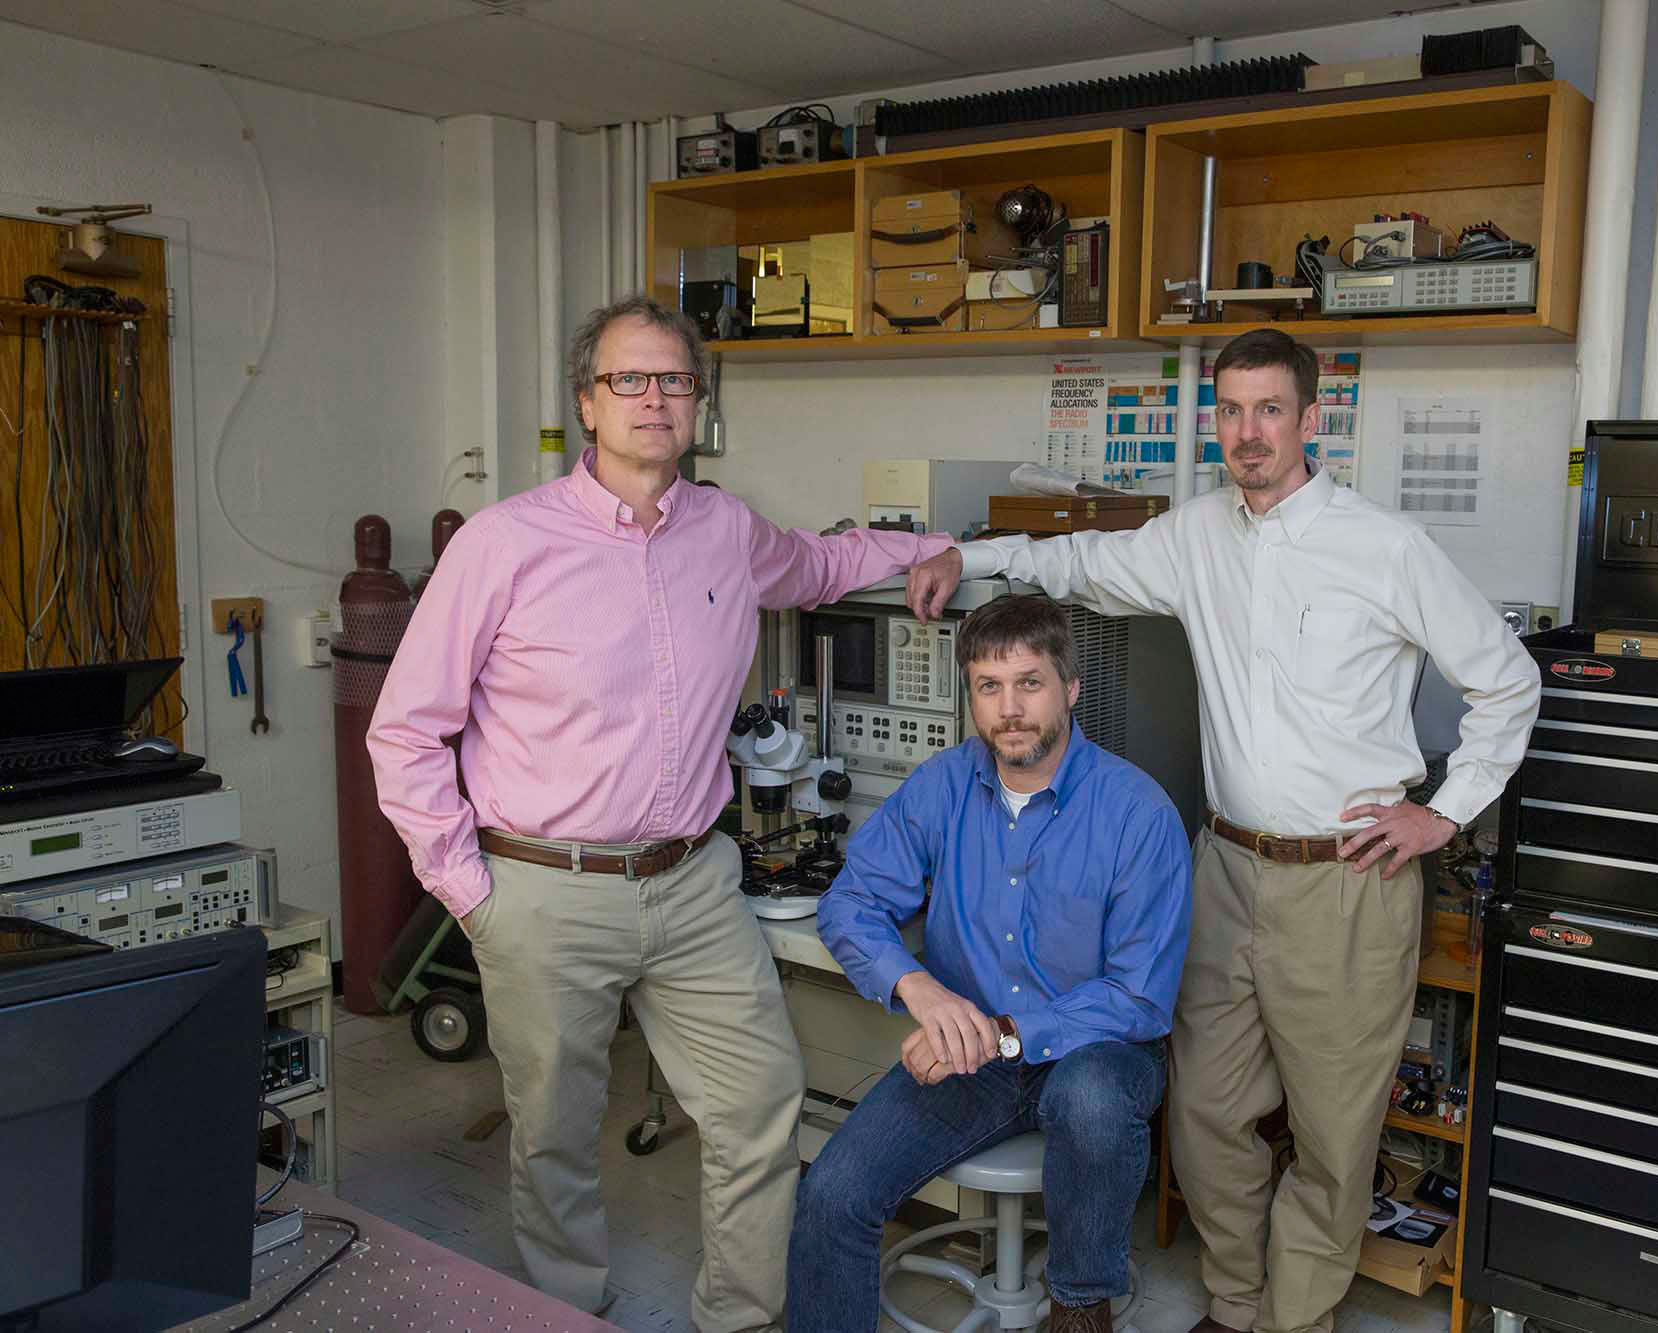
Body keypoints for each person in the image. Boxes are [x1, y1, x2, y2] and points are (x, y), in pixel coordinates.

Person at [904, 328, 1540, 1333]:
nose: (1248, 431)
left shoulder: (1385, 546)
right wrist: (961, 551)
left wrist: (1441, 812)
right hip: (1227, 868)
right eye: (1231, 411)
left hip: (1347, 882)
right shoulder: (1194, 534)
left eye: (1268, 409)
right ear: (1215, 424)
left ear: (1309, 419)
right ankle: (1237, 1304)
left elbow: (1509, 680)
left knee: (1333, 1138)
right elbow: (1073, 560)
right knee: (1203, 1118)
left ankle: (1292, 1320)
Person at [368, 295, 954, 1329]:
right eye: (627, 380)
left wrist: (929, 548)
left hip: (691, 882)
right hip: (544, 889)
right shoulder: (503, 546)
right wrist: (471, 891)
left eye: (672, 380)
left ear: (697, 405)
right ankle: (566, 1311)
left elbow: (818, 565)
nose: (652, 398)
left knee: (758, 1103)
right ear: (587, 403)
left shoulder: (725, 531)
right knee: (553, 1134)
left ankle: (738, 1314)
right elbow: (407, 731)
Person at [791, 595, 1192, 1333]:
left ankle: (1079, 1303)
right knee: (833, 1195)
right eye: (989, 686)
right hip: (971, 1053)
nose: (1010, 709)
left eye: (1030, 683)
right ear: (970, 696)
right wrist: (919, 988)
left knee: (1093, 1098)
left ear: (1071, 687)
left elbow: (1139, 999)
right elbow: (848, 903)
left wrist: (1005, 1030)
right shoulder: (942, 785)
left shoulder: (1139, 813)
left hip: (1096, 1051)